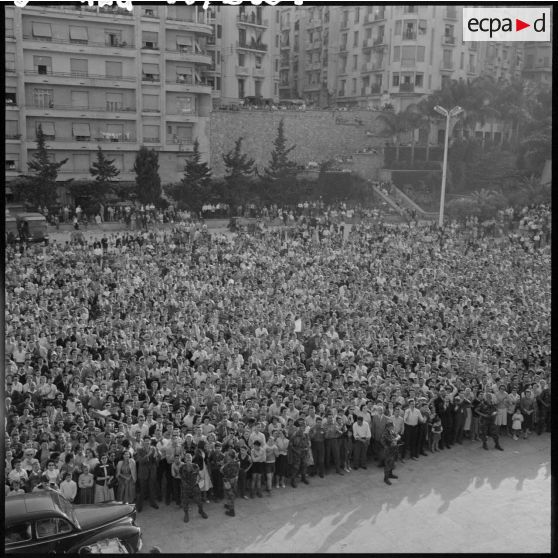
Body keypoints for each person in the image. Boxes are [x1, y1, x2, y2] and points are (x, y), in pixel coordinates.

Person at [179, 453, 208, 523]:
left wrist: (201, 485)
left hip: (195, 487)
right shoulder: (182, 467)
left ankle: (201, 511)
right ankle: (186, 514)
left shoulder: (195, 466)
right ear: (185, 459)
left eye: (190, 458)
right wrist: (184, 485)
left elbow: (199, 476)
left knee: (199, 501)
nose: (188, 459)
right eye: (187, 458)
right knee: (185, 502)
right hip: (186, 488)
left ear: (192, 459)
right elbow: (181, 477)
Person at [135, 437, 160, 511]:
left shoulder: (154, 449)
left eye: (148, 441)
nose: (147, 443)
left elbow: (157, 461)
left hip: (152, 472)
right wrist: (149, 454)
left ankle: (152, 502)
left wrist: (156, 457)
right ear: (143, 442)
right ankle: (139, 505)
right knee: (142, 490)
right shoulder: (139, 450)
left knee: (152, 489)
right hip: (143, 473)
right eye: (146, 441)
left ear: (150, 442)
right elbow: (141, 461)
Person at [287, 419, 310, 488]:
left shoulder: (305, 435)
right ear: (299, 427)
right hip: (296, 454)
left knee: (304, 465)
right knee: (295, 467)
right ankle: (293, 480)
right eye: (302, 427)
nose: (303, 428)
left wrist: (307, 449)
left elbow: (308, 443)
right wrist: (297, 451)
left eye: (304, 427)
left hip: (304, 453)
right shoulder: (294, 435)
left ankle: (303, 478)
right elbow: (290, 446)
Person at [380, 417, 400, 486]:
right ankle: (386, 478)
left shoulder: (391, 431)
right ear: (388, 427)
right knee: (387, 465)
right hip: (388, 451)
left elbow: (398, 436)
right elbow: (387, 440)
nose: (393, 428)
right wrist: (395, 439)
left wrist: (396, 438)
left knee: (392, 463)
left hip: (393, 450)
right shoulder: (385, 433)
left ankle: (390, 475)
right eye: (392, 427)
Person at [221, 449, 240, 517]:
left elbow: (222, 471)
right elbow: (237, 471)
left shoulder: (228, 464)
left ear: (230, 456)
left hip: (227, 481)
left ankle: (232, 511)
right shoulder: (237, 462)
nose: (226, 456)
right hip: (234, 480)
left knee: (230, 495)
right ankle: (228, 505)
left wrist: (223, 466)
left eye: (228, 455)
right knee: (231, 494)